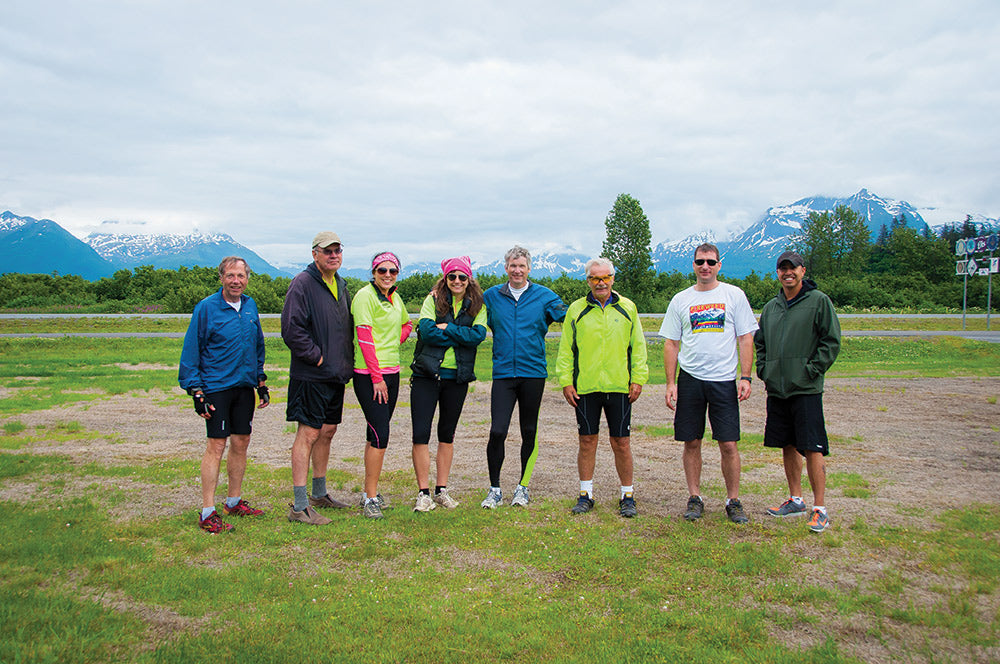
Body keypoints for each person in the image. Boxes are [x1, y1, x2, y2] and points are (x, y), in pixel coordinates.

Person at [660, 243, 758, 524]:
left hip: (724, 379)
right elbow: (671, 342)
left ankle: (733, 500)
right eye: (700, 261)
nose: (705, 267)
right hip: (690, 379)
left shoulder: (734, 295)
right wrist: (670, 382)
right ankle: (695, 497)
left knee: (728, 443)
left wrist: (746, 376)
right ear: (693, 265)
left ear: (719, 265)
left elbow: (745, 338)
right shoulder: (681, 299)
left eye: (711, 262)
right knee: (691, 441)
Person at [179, 256, 268, 533]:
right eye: (230, 275)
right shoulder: (206, 308)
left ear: (247, 278)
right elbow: (192, 350)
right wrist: (195, 390)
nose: (236, 281)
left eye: (240, 276)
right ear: (221, 278)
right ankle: (208, 511)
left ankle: (233, 500)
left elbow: (257, 344)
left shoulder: (250, 305)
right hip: (216, 386)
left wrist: (260, 380)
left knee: (241, 442)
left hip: (243, 386)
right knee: (216, 445)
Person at [755, 251, 841, 533]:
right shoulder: (771, 307)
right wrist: (764, 369)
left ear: (803, 271)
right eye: (782, 268)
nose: (787, 273)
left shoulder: (819, 302)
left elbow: (830, 341)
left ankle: (820, 508)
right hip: (778, 389)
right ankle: (795, 499)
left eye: (792, 268)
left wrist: (811, 370)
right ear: (777, 273)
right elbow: (761, 343)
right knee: (788, 444)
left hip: (805, 389)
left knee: (812, 446)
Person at [556, 258, 648, 518]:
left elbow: (638, 347)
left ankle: (627, 494)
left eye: (605, 277)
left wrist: (638, 377)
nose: (601, 282)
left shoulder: (627, 308)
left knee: (621, 442)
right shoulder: (576, 309)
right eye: (595, 278)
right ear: (588, 281)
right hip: (586, 387)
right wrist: (566, 380)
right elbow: (566, 350)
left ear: (613, 279)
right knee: (587, 441)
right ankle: (586, 494)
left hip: (620, 386)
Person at [480, 245, 567, 508]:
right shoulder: (492, 296)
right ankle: (495, 489)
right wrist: (438, 294)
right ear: (505, 268)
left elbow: (572, 316)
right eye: (512, 265)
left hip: (533, 373)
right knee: (497, 431)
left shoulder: (545, 296)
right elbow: (466, 305)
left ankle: (522, 487)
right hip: (504, 373)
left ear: (529, 268)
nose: (517, 270)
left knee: (529, 430)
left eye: (522, 266)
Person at [281, 231, 354, 526]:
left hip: (335, 374)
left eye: (337, 250)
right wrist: (318, 357)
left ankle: (319, 494)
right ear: (315, 254)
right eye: (327, 251)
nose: (333, 255)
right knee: (308, 433)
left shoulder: (340, 284)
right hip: (311, 374)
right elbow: (291, 329)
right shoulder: (302, 283)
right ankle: (299, 506)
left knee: (327, 431)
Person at [408, 256, 488, 512]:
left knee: (447, 434)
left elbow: (478, 336)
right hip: (426, 375)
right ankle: (423, 493)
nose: (456, 281)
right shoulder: (432, 299)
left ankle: (441, 490)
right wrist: (458, 336)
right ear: (445, 278)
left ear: (469, 280)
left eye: (461, 277)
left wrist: (448, 329)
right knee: (420, 434)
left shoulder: (477, 304)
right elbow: (427, 331)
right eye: (451, 276)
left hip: (457, 377)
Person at [352, 251, 413, 519]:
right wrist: (376, 376)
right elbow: (364, 338)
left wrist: (391, 342)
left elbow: (407, 324)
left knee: (374, 433)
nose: (388, 275)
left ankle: (369, 492)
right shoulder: (365, 296)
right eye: (382, 271)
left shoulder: (394, 297)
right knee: (381, 435)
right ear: (373, 272)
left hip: (392, 372)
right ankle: (371, 499)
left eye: (393, 271)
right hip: (369, 375)